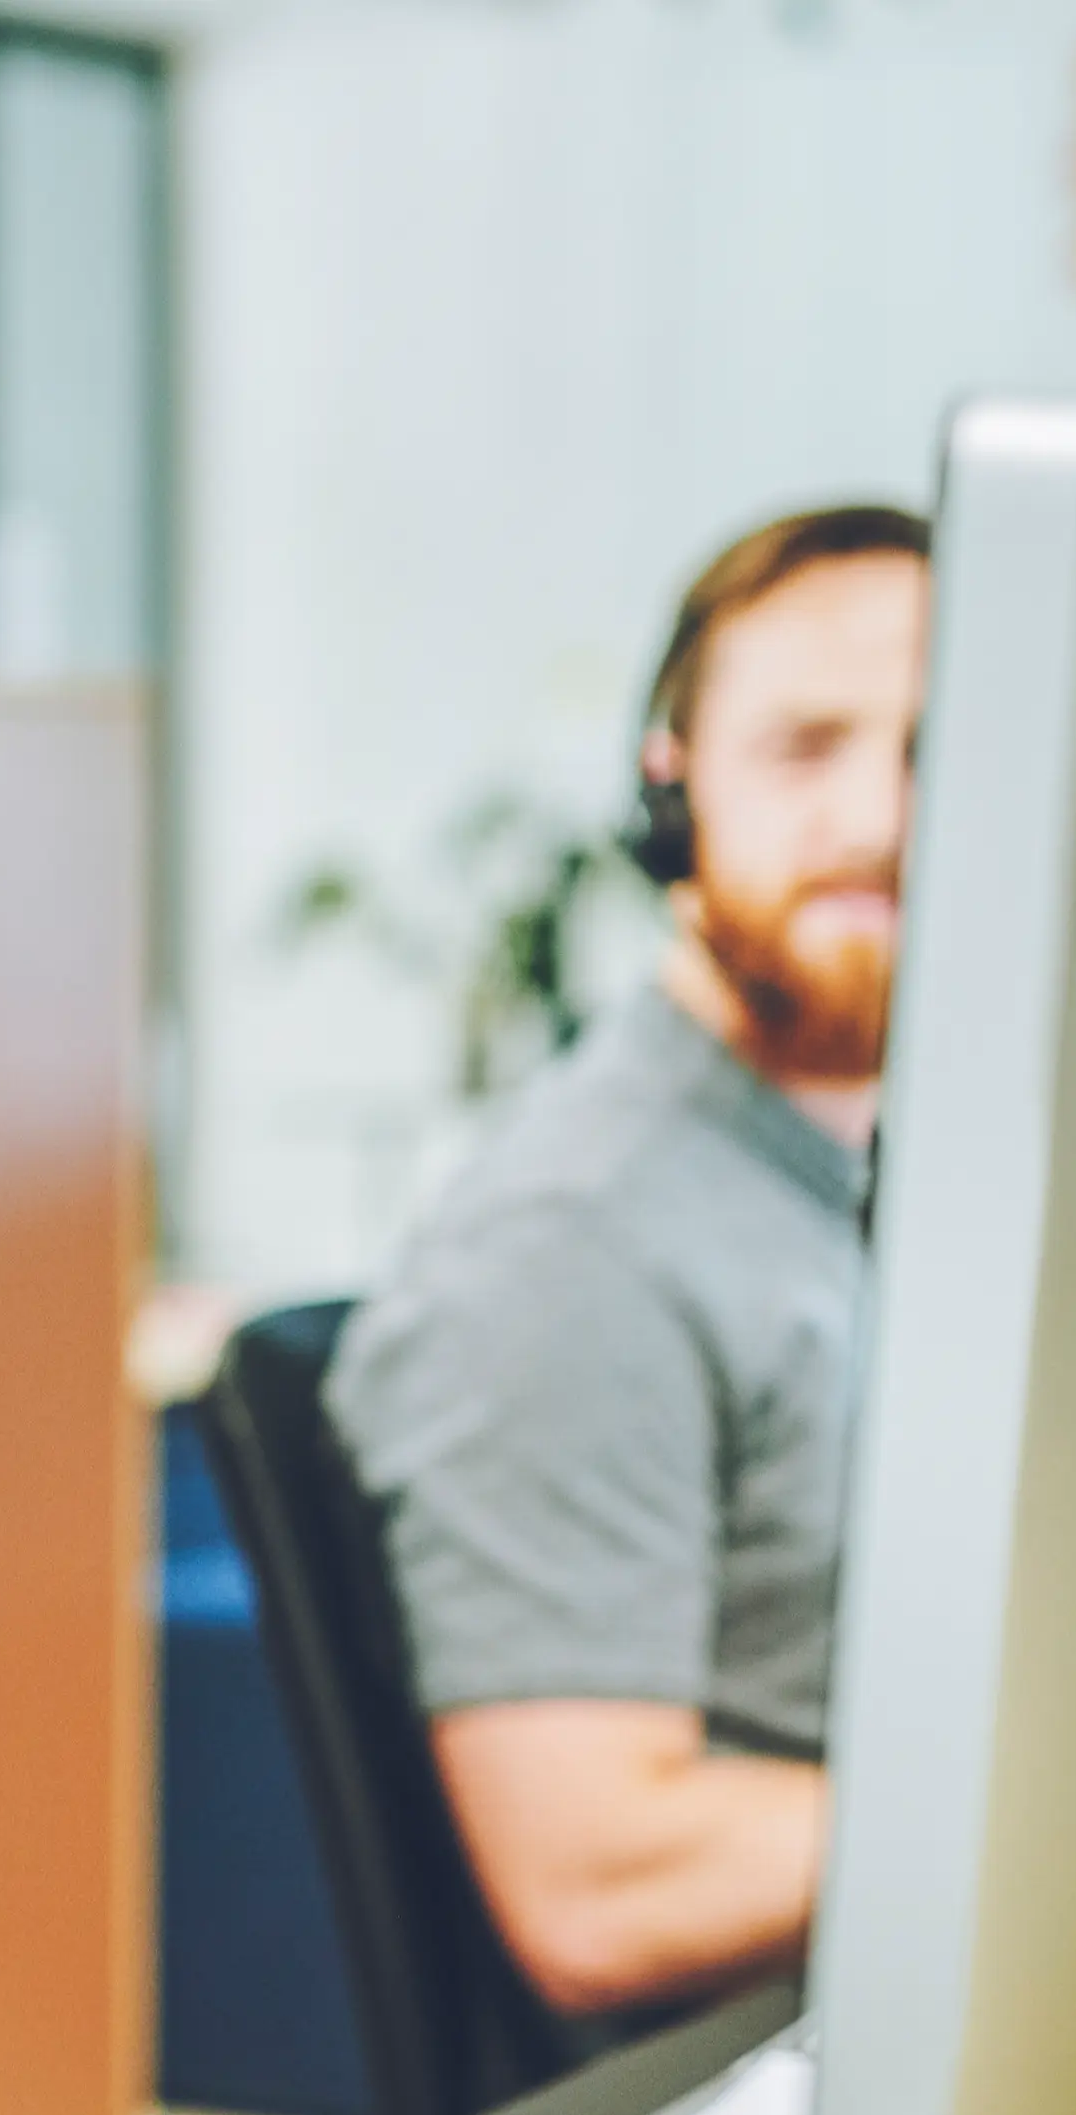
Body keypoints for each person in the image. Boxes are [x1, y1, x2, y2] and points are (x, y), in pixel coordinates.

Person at [323, 504, 931, 2034]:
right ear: (675, 792)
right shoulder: (577, 1243)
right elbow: (599, 1878)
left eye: (939, 754)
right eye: (805, 748)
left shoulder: (880, 1184)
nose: (878, 817)